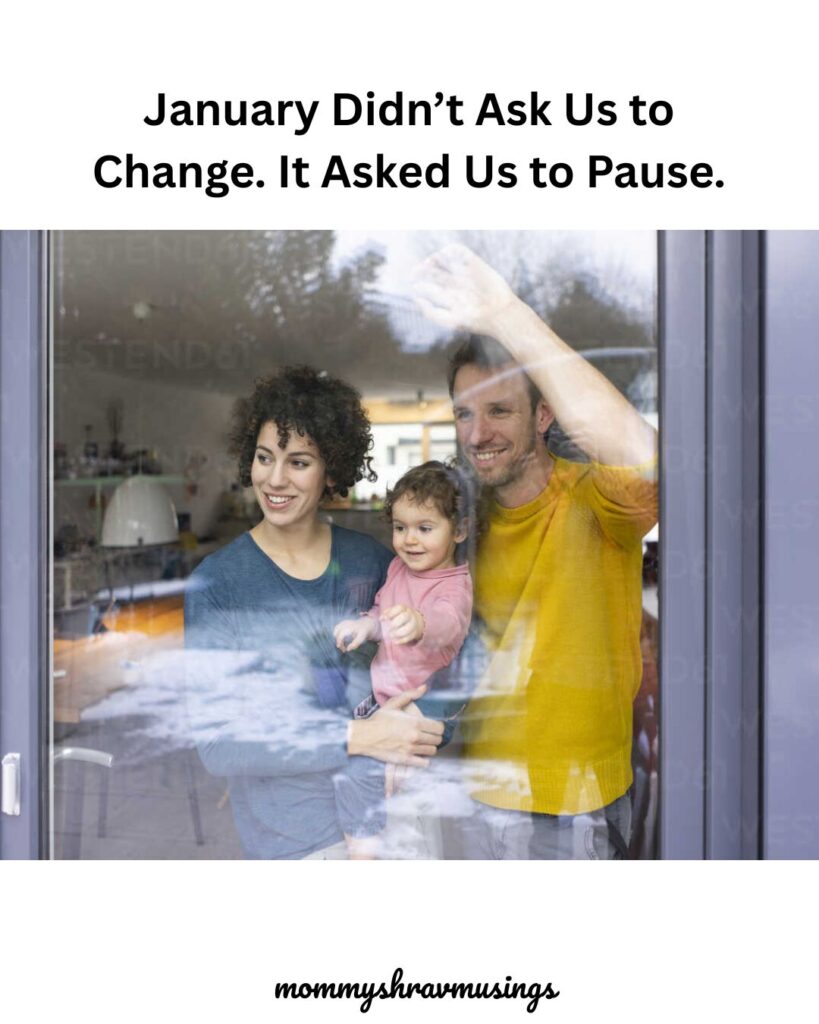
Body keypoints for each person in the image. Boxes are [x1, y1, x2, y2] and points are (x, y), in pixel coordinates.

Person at [412, 244, 659, 859]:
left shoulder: (597, 503)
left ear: (544, 414)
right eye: (464, 413)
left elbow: (643, 457)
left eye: (499, 410)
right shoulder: (462, 519)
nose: (477, 433)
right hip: (474, 786)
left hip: (577, 800)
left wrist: (503, 312)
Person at [183, 366, 445, 859]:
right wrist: (358, 736)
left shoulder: (373, 562)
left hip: (398, 821)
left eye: (298, 462)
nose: (275, 479)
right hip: (297, 841)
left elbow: (443, 658)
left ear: (331, 471)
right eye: (265, 458)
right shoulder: (218, 583)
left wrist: (420, 727)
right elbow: (218, 745)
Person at [332, 461, 473, 857]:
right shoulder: (398, 568)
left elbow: (449, 624)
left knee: (402, 790)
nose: (409, 540)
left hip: (426, 710)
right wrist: (367, 628)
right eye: (400, 527)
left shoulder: (454, 585)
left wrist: (420, 622)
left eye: (425, 528)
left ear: (458, 530)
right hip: (386, 696)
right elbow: (382, 612)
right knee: (363, 771)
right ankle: (371, 840)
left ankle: (383, 851)